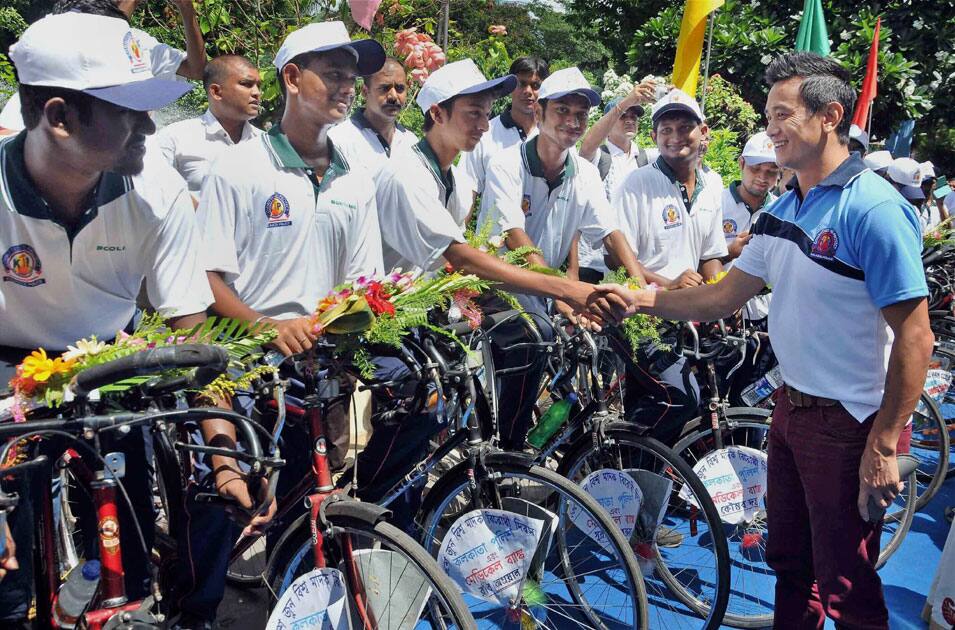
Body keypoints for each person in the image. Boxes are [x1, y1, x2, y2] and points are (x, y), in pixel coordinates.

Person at [599, 51, 933, 629]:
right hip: (788, 409)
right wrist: (639, 298)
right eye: (768, 114)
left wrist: (883, 445)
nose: (770, 128)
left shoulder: (873, 209)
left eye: (783, 115)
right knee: (789, 563)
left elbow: (916, 334)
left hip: (848, 423)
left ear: (829, 116)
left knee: (846, 582)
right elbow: (721, 296)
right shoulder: (783, 208)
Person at [0, 12, 256, 625]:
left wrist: (224, 458)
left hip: (109, 363)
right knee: (8, 586)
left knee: (131, 557)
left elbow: (191, 332)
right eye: (128, 110)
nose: (149, 126)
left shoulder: (156, 190)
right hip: (5, 368)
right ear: (58, 118)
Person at [193, 21, 385, 626]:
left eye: (352, 77)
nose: (346, 87)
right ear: (292, 79)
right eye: (333, 74)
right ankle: (196, 608)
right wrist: (266, 326)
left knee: (307, 500)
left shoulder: (356, 176)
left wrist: (339, 326)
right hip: (248, 367)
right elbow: (205, 281)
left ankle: (281, 591)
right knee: (225, 501)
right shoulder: (240, 169)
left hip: (321, 365)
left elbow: (365, 281)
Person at [376, 59, 623, 453]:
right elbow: (465, 259)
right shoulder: (409, 174)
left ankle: (507, 440)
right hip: (389, 320)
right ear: (437, 114)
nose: (484, 125)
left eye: (487, 114)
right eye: (473, 113)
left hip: (431, 308)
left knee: (521, 344)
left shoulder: (452, 180)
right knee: (415, 421)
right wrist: (563, 290)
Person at [479, 66, 646, 311]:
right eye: (562, 110)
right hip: (503, 285)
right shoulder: (506, 164)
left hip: (549, 287)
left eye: (582, 113)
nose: (573, 121)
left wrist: (641, 291)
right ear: (538, 113)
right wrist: (563, 293)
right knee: (542, 333)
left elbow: (610, 233)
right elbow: (514, 236)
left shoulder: (585, 173)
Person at [0, 0, 209, 133]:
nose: (148, 128)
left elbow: (198, 70)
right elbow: (8, 133)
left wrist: (186, 9)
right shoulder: (64, 37)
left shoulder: (139, 41)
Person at [574, 81, 659, 283]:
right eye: (623, 116)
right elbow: (586, 147)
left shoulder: (646, 158)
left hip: (635, 262)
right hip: (594, 263)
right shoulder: (599, 157)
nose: (630, 120)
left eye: (634, 116)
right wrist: (628, 100)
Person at [153, 55, 262, 195]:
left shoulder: (265, 143)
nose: (257, 93)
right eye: (246, 84)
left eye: (258, 86)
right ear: (216, 92)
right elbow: (157, 194)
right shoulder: (175, 138)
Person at [461, 55, 548, 195]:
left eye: (536, 85)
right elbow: (467, 192)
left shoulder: (554, 135)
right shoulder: (484, 135)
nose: (528, 91)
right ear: (511, 87)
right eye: (522, 83)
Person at [721, 131, 780, 322]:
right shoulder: (716, 203)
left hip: (766, 312)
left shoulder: (782, 210)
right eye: (755, 168)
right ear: (741, 163)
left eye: (771, 170)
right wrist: (728, 252)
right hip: (720, 312)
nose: (762, 177)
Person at [328, 56, 418, 177]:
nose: (393, 96)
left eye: (400, 88)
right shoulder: (340, 140)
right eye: (385, 88)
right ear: (365, 92)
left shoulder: (411, 142)